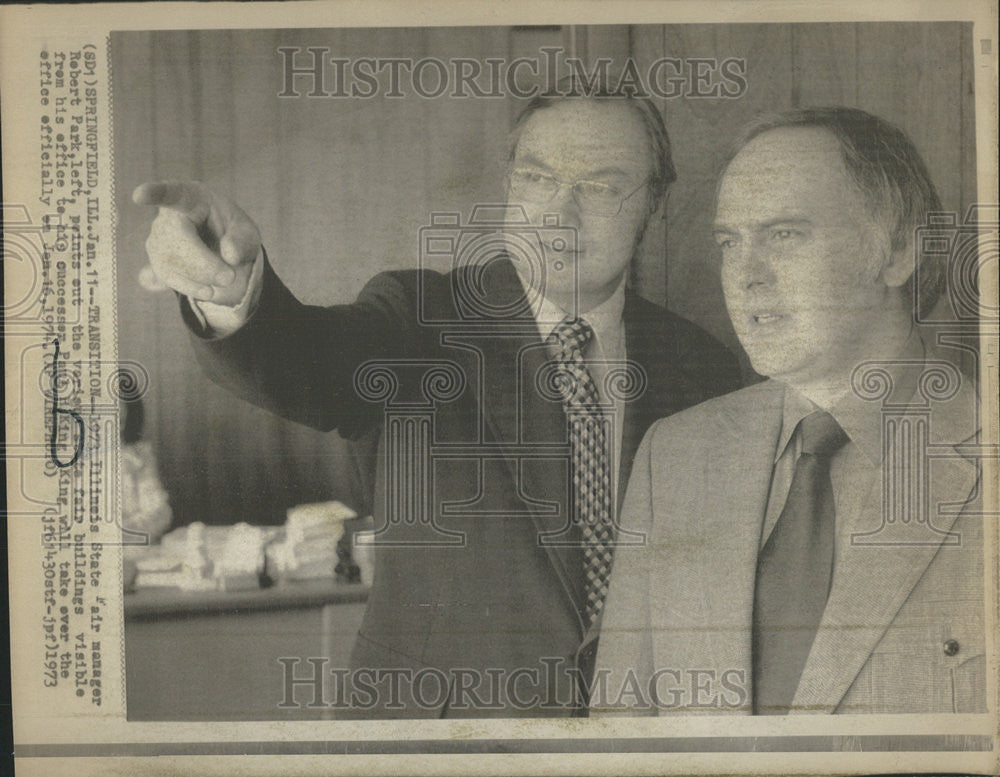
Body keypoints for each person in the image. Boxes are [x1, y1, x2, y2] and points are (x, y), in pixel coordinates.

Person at [133, 87, 741, 718]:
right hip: (444, 738)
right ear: (510, 185)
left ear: (654, 204)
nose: (560, 213)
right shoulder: (416, 319)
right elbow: (306, 360)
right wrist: (234, 294)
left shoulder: (702, 367)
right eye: (539, 177)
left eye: (603, 186)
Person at [593, 106, 984, 716]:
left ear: (900, 251)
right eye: (730, 242)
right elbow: (623, 731)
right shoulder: (673, 456)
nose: (745, 277)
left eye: (784, 234)